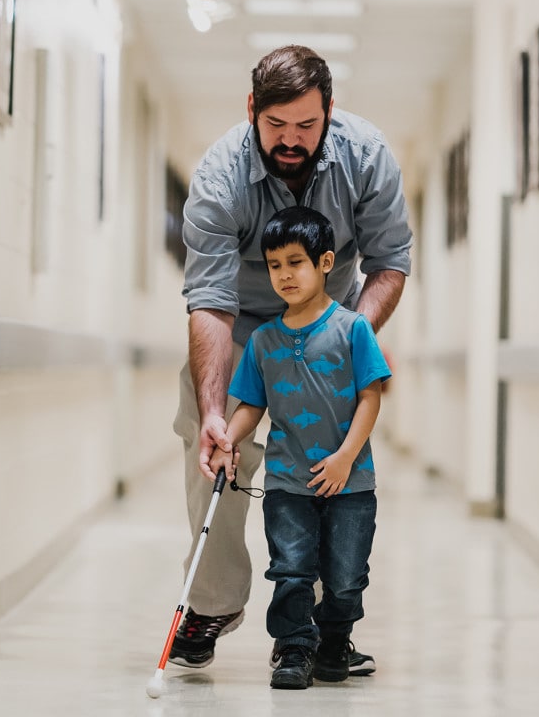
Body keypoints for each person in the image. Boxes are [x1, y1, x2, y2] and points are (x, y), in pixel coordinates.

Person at [170, 44, 411, 672]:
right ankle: (213, 601)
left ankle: (319, 627)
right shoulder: (220, 175)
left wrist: (347, 335)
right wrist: (215, 408)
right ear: (252, 109)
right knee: (212, 438)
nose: (291, 140)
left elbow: (390, 262)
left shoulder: (367, 155)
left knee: (329, 464)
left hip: (332, 320)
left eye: (307, 125)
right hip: (244, 326)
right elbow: (212, 301)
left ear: (329, 112)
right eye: (276, 125)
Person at [208, 206, 391, 689]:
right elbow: (251, 404)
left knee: (346, 576)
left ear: (326, 262)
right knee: (290, 570)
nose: (284, 275)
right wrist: (229, 436)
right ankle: (293, 649)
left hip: (350, 483)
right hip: (288, 481)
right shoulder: (264, 341)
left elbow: (371, 396)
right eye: (274, 265)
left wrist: (346, 457)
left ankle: (334, 640)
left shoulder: (353, 329)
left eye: (296, 262)